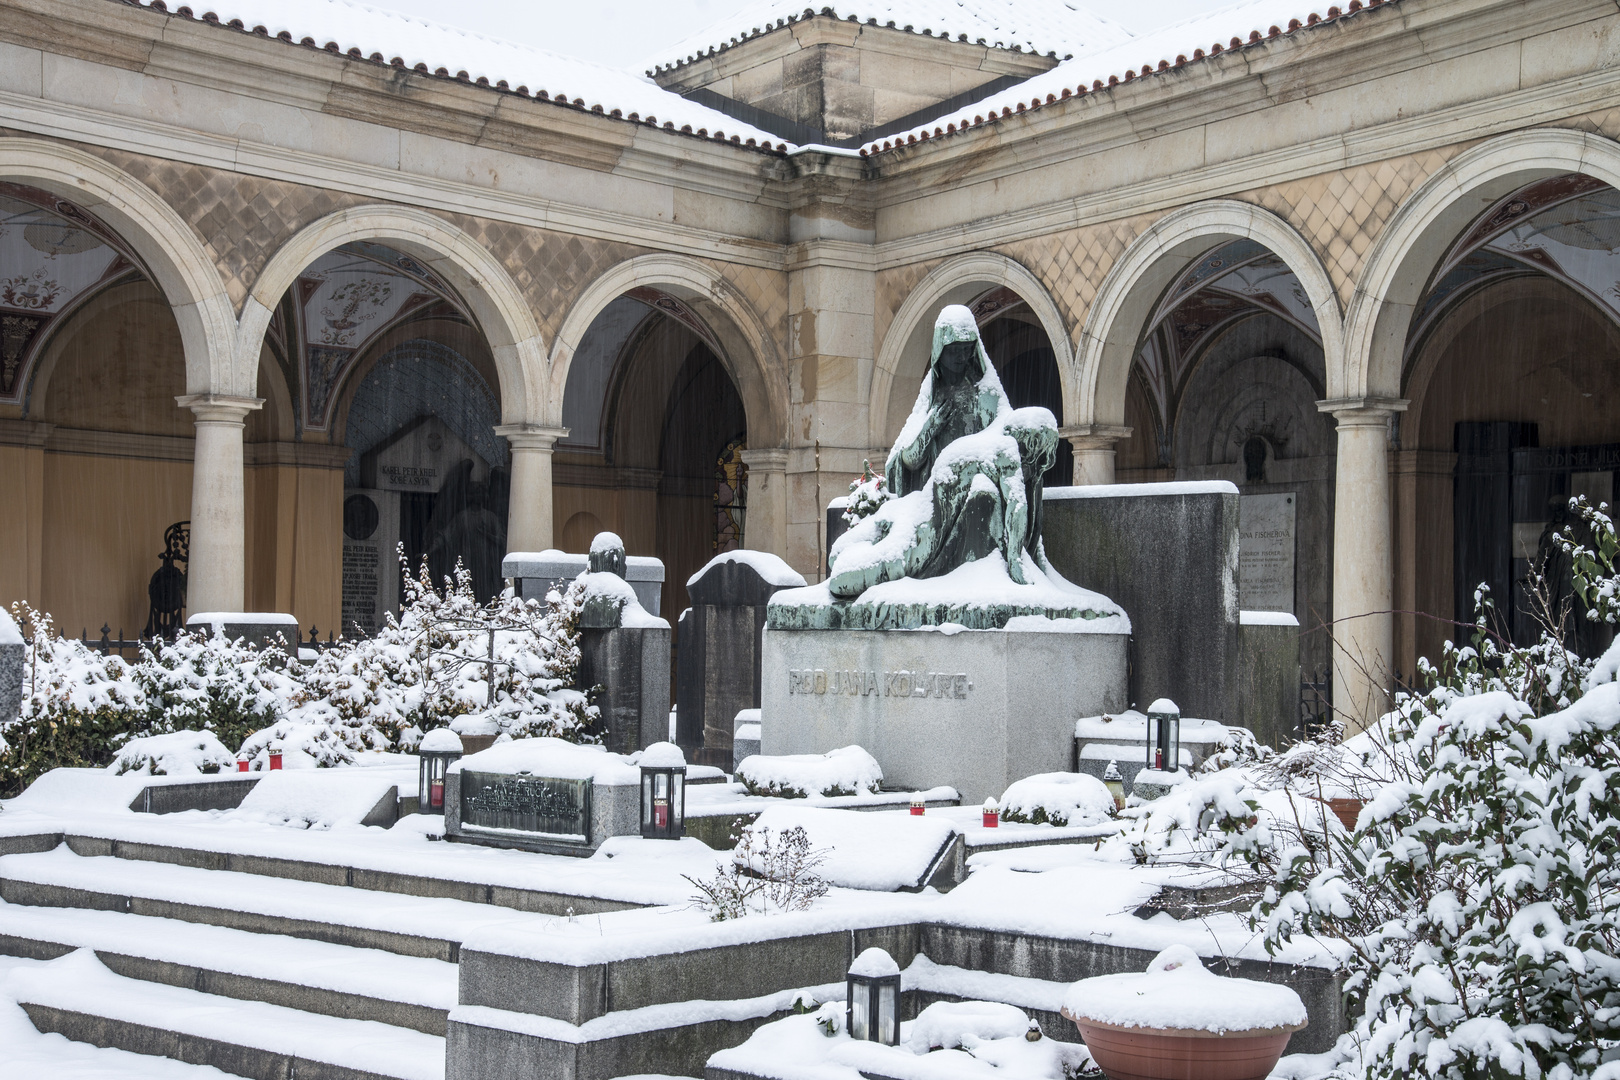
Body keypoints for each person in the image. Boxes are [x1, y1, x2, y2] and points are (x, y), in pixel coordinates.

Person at [828, 305, 1057, 598]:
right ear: (939, 351)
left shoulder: (986, 397)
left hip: (975, 488)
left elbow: (1007, 439)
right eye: (953, 350)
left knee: (983, 496)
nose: (961, 357)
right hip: (930, 498)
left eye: (966, 349)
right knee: (864, 548)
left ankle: (972, 578)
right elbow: (904, 461)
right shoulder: (930, 400)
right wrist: (931, 428)